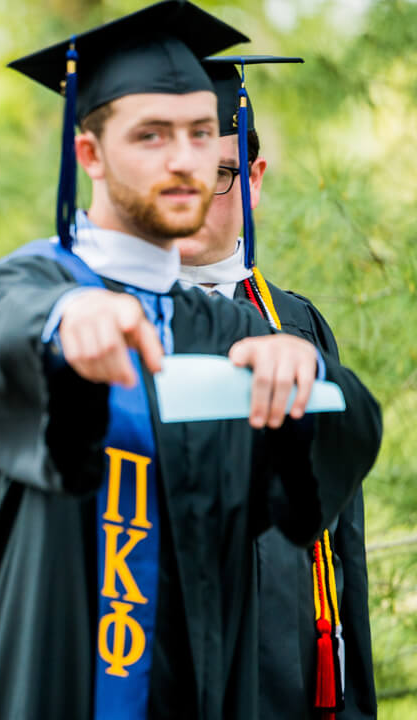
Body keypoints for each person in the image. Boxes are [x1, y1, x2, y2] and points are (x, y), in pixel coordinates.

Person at [0, 2, 382, 719]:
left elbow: (332, 462)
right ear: (90, 156)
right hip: (62, 683)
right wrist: (67, 319)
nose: (184, 159)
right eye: (151, 135)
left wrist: (308, 372)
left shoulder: (228, 325)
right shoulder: (23, 288)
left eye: (203, 134)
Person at [177, 55, 375, 719]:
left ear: (254, 180)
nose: (197, 196)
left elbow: (339, 537)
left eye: (222, 175)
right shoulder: (82, 321)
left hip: (290, 680)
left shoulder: (297, 323)